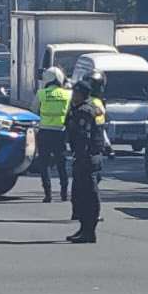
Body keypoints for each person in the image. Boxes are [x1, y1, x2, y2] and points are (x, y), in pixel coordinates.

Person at [65, 73, 107, 243]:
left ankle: (89, 231)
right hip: (85, 157)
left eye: (76, 93)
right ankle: (83, 229)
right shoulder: (81, 108)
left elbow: (83, 137)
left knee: (88, 195)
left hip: (87, 158)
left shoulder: (84, 111)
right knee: (80, 195)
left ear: (83, 94)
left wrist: (80, 157)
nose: (73, 96)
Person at [34, 66, 71, 204]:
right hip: (60, 132)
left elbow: (33, 110)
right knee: (61, 164)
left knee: (44, 164)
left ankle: (47, 194)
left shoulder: (41, 93)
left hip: (44, 132)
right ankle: (64, 193)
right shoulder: (68, 94)